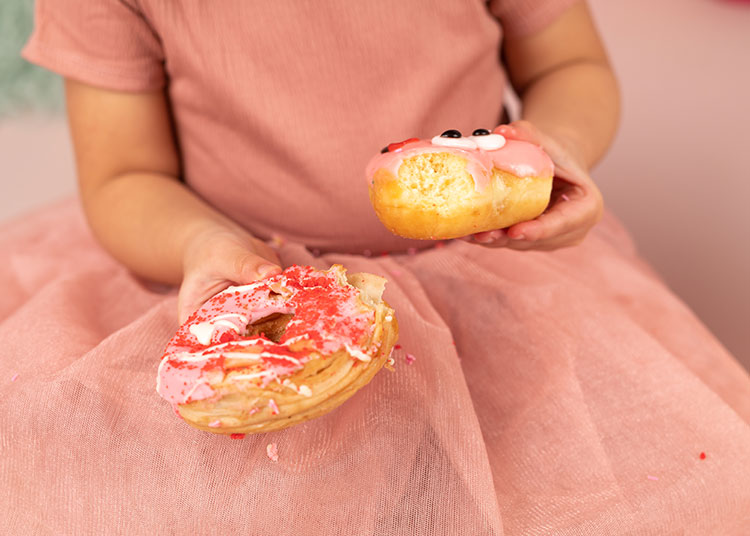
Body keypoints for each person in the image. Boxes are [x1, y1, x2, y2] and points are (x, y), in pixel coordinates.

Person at [2, 0, 748, 534]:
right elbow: (123, 176)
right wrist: (200, 245)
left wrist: (553, 148)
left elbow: (572, 63)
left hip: (484, 278)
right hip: (251, 284)